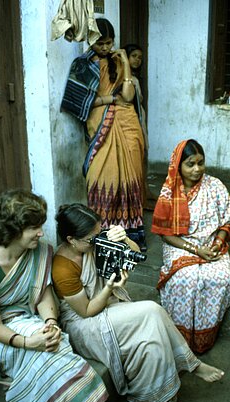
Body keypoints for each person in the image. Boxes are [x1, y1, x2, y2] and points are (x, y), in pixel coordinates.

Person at [0, 189, 123, 402]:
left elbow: (44, 296)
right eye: (34, 228)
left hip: (27, 318)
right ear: (13, 230)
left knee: (53, 340)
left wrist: (50, 323)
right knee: (39, 354)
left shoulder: (40, 252)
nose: (41, 233)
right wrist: (29, 342)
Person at [52, 203, 225, 402]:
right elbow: (86, 311)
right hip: (85, 323)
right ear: (71, 240)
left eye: (99, 232)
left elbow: (134, 256)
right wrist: (109, 288)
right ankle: (194, 365)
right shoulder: (63, 267)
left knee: (149, 341)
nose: (97, 240)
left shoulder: (89, 242)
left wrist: (124, 238)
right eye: (91, 238)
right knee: (152, 310)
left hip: (108, 304)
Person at [61, 18, 146, 250]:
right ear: (91, 40)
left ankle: (130, 234)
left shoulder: (118, 62)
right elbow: (79, 103)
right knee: (101, 177)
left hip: (127, 125)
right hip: (100, 128)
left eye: (110, 43)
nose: (106, 48)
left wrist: (126, 65)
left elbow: (128, 96)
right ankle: (103, 232)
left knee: (129, 178)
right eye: (101, 43)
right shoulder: (82, 65)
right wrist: (109, 100)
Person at [151, 139, 230, 354]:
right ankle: (180, 340)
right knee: (185, 278)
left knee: (219, 277)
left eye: (200, 163)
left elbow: (226, 221)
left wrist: (217, 243)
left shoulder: (215, 186)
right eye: (190, 164)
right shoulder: (169, 192)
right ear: (178, 165)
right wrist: (196, 250)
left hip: (211, 244)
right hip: (180, 246)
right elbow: (166, 235)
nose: (197, 169)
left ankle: (203, 340)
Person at [124, 43, 157, 211]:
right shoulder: (127, 78)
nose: (137, 60)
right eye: (134, 56)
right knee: (137, 160)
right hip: (133, 121)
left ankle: (146, 193)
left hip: (139, 119)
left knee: (143, 156)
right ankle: (141, 199)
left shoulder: (134, 77)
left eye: (140, 57)